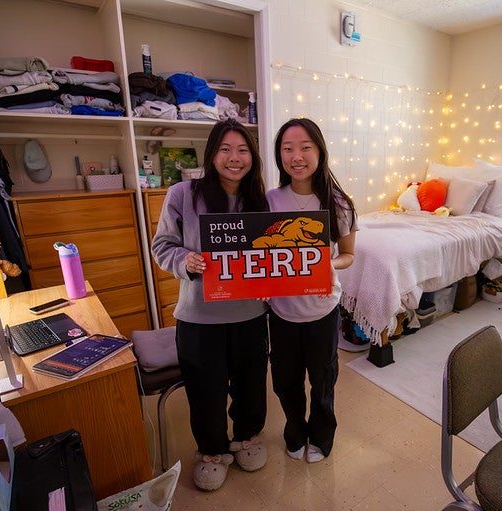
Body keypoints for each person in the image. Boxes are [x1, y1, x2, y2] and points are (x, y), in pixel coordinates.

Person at [152, 119, 270, 491]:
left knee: (251, 384)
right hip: (199, 316)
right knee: (205, 389)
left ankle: (246, 437)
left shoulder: (260, 200)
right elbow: (161, 247)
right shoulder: (182, 194)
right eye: (225, 150)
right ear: (211, 154)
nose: (234, 158)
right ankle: (212, 450)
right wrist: (185, 262)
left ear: (252, 156)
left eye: (242, 150)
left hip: (250, 313)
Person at [266, 117, 358, 463]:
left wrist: (328, 264)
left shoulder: (338, 203)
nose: (296, 156)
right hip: (281, 311)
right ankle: (294, 432)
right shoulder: (269, 199)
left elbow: (348, 255)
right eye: (287, 148)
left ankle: (322, 436)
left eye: (305, 147)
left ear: (320, 151)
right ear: (280, 155)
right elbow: (257, 254)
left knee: (322, 382)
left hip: (322, 308)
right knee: (285, 382)